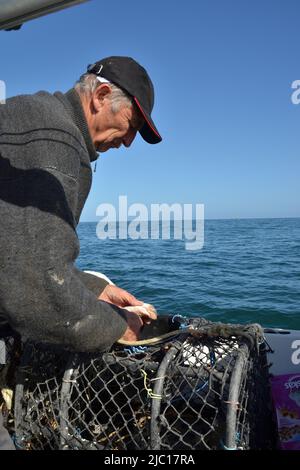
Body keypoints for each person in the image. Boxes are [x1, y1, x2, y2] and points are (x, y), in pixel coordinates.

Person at [0, 56, 162, 448]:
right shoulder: (55, 138)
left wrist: (93, 289)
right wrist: (116, 325)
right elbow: (38, 290)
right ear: (101, 96)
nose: (126, 143)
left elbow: (13, 251)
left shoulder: (29, 114)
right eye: (131, 128)